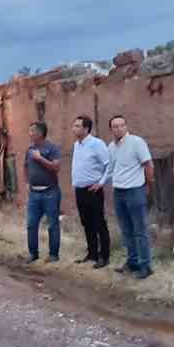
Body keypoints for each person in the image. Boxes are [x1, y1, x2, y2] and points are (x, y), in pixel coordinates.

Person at [107, 114, 156, 278]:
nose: (119, 128)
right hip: (119, 192)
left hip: (134, 190)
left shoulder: (136, 142)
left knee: (140, 229)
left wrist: (149, 185)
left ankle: (145, 265)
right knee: (126, 230)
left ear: (126, 127)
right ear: (111, 129)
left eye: (122, 125)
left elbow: (148, 165)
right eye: (115, 126)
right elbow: (112, 168)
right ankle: (132, 262)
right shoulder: (111, 147)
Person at [69, 114, 111, 268]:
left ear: (86, 128)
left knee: (99, 223)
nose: (74, 128)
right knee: (86, 223)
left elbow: (108, 165)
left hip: (93, 190)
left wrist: (101, 183)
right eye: (74, 125)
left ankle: (104, 256)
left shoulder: (96, 144)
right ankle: (92, 253)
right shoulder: (76, 145)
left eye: (78, 126)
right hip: (79, 190)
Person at [23, 121, 62, 262]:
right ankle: (33, 254)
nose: (30, 133)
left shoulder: (53, 148)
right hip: (34, 193)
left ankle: (53, 255)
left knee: (53, 224)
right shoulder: (29, 150)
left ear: (40, 133)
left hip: (50, 192)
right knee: (31, 224)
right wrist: (27, 182)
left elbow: (56, 168)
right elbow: (26, 167)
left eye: (32, 131)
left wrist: (40, 159)